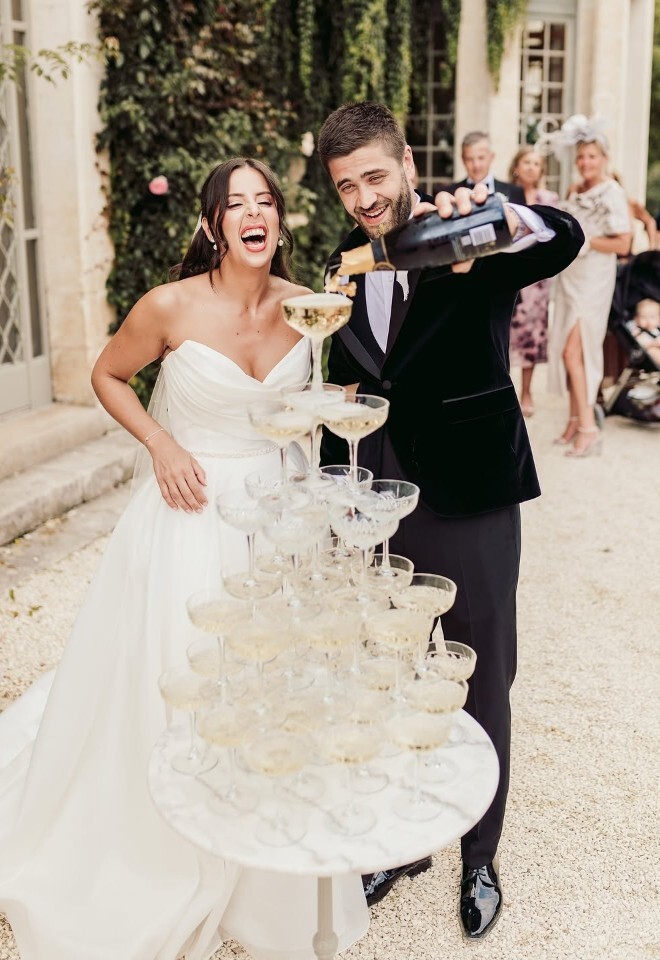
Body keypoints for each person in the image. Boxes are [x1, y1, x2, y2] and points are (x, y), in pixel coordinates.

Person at [0, 157, 369, 959]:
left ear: (279, 219)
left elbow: (301, 406)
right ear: (211, 224)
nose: (252, 212)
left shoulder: (307, 306)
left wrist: (331, 408)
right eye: (235, 203)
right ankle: (164, 843)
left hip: (279, 516)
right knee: (186, 677)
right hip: (190, 510)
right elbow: (108, 374)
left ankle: (270, 839)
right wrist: (162, 443)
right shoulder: (167, 305)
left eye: (265, 200)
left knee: (280, 683)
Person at [317, 101, 583, 940]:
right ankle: (402, 843)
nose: (363, 196)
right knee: (388, 670)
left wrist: (507, 214)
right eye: (346, 185)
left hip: (467, 487)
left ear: (405, 163)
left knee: (477, 669)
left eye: (374, 175)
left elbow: (566, 237)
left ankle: (480, 853)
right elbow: (341, 379)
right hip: (373, 494)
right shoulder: (343, 264)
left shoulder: (469, 235)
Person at [546, 119, 632, 456]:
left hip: (593, 281)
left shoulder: (612, 192)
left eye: (592, 157)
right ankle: (572, 419)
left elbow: (623, 243)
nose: (585, 163)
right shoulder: (573, 190)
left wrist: (588, 242)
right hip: (570, 278)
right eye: (581, 157)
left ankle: (588, 428)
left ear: (604, 158)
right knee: (566, 352)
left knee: (574, 352)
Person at [507, 146, 559, 416]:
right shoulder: (503, 196)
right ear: (517, 165)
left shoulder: (549, 199)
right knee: (505, 332)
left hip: (537, 280)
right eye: (526, 162)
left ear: (541, 170)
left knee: (531, 336)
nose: (530, 167)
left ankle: (527, 391)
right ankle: (506, 388)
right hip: (506, 272)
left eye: (536, 163)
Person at [451, 130, 525, 204]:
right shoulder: (450, 193)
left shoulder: (515, 192)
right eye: (469, 159)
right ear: (463, 160)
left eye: (481, 158)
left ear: (491, 157)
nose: (476, 165)